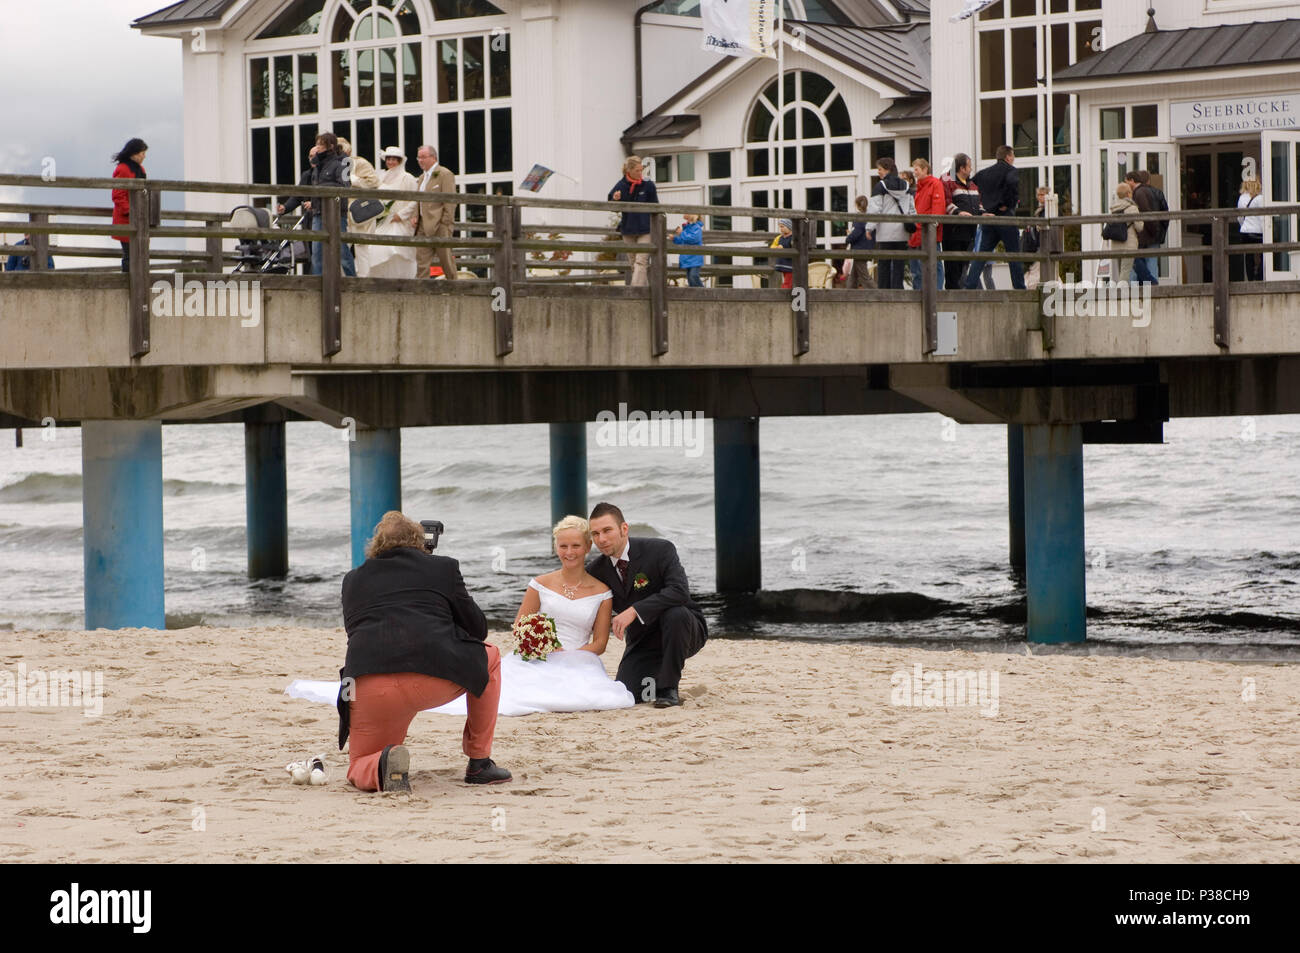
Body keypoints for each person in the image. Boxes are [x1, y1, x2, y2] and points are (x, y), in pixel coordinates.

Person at [336, 511, 509, 790]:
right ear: (420, 541)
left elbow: (355, 631)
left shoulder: (352, 579)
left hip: (368, 684)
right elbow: (478, 630)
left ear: (376, 545)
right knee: (491, 656)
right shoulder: (443, 568)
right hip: (433, 676)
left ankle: (382, 764)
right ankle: (479, 762)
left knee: (359, 764)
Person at [585, 502, 708, 708]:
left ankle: (668, 688)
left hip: (684, 629)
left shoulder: (660, 550)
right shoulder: (595, 571)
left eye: (607, 530)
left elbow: (679, 591)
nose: (602, 539)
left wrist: (634, 610)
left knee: (675, 614)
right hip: (643, 639)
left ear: (624, 528)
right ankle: (655, 678)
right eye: (595, 534)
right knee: (626, 694)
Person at [276, 132, 356, 278]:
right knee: (317, 252)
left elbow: (346, 186)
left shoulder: (343, 163)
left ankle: (353, 280)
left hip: (337, 214)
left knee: (342, 251)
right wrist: (288, 207)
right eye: (317, 143)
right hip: (318, 213)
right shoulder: (316, 167)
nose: (317, 147)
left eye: (320, 144)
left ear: (330, 146)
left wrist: (322, 191)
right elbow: (304, 193)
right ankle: (319, 283)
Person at [962, 145, 1025, 290]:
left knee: (982, 254)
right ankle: (1019, 288)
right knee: (1014, 254)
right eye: (1013, 156)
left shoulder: (984, 173)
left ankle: (969, 285)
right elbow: (1013, 186)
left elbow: (971, 185)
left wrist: (981, 206)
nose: (1013, 159)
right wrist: (1007, 203)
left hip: (988, 218)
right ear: (1008, 157)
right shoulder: (1011, 171)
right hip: (1005, 218)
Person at [368, 146, 420, 279]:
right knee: (377, 250)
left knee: (397, 251)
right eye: (388, 159)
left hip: (399, 221)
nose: (391, 162)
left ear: (400, 161)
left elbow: (415, 200)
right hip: (383, 220)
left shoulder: (407, 177)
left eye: (394, 159)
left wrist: (401, 215)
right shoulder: (381, 177)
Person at [608, 156, 659, 287]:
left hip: (645, 229)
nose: (640, 173)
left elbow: (656, 207)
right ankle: (644, 292)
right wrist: (615, 200)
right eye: (637, 170)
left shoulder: (648, 185)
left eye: (641, 170)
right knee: (633, 263)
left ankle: (634, 291)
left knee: (641, 262)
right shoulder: (620, 185)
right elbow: (611, 207)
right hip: (628, 228)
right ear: (629, 171)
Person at [864, 157, 912, 290]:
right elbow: (911, 209)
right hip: (902, 232)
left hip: (885, 232)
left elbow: (875, 209)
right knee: (899, 265)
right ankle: (898, 292)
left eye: (879, 169)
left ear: (887, 169)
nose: (878, 172)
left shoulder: (880, 186)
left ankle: (884, 293)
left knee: (884, 264)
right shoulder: (906, 185)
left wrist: (869, 227)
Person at [412, 144, 458, 279]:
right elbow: (418, 200)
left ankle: (455, 288)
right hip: (421, 225)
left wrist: (445, 223)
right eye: (418, 158)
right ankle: (422, 292)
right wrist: (416, 216)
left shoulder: (445, 174)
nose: (420, 160)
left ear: (433, 157)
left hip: (439, 224)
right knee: (422, 262)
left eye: (423, 157)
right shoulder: (421, 177)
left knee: (446, 261)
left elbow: (450, 201)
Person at [339, 137, 380, 277]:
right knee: (341, 248)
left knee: (362, 248)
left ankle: (364, 280)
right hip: (341, 212)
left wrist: (354, 180)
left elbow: (374, 182)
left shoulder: (360, 163)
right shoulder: (334, 165)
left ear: (348, 150)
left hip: (359, 212)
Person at [943, 154, 984, 290]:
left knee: (963, 264)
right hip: (953, 231)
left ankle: (960, 292)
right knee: (952, 266)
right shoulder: (946, 180)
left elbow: (978, 203)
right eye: (969, 166)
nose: (971, 169)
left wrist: (983, 212)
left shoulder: (972, 184)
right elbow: (945, 201)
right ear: (962, 168)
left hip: (969, 230)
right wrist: (958, 212)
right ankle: (952, 293)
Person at [908, 157, 945, 292]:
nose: (914, 172)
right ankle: (921, 292)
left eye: (916, 169)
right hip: (918, 232)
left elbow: (938, 207)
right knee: (918, 267)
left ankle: (936, 291)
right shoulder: (920, 187)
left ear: (925, 169)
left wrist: (932, 228)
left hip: (927, 232)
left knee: (933, 264)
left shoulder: (934, 184)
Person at [111, 137, 147, 273]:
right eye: (142, 153)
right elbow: (118, 195)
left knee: (139, 252)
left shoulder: (140, 169)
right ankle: (127, 282)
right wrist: (130, 211)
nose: (144, 156)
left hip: (138, 217)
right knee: (129, 254)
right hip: (126, 218)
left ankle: (137, 279)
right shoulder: (123, 169)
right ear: (134, 153)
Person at [1125, 170, 1161, 286]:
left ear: (1132, 181)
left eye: (1127, 182)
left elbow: (1146, 213)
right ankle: (1150, 284)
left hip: (1144, 235)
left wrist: (1152, 230)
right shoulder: (1147, 191)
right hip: (1148, 234)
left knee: (1138, 263)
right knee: (1145, 262)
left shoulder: (1139, 193)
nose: (1126, 185)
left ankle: (1151, 284)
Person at [1107, 182, 1143, 286]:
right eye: (1131, 192)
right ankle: (1121, 295)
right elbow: (1139, 227)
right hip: (1129, 244)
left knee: (1121, 272)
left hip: (1116, 244)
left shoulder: (1114, 208)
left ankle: (1121, 291)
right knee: (1125, 272)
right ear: (1128, 194)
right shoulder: (1132, 208)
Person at [842, 194, 875, 288]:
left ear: (857, 205)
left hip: (859, 249)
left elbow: (857, 232)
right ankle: (849, 294)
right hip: (866, 248)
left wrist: (848, 239)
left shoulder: (859, 218)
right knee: (854, 275)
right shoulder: (870, 217)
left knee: (865, 277)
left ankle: (878, 295)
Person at [1237, 177, 1264, 282]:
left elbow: (1240, 217)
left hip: (1245, 231)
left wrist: (1244, 225)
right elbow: (1263, 217)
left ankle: (1250, 279)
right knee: (1264, 254)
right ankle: (1260, 277)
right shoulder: (1260, 198)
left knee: (1248, 257)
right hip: (1258, 231)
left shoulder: (1242, 198)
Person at [1022, 186, 1050, 289]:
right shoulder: (1039, 211)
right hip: (1037, 244)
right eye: (1038, 195)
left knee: (1037, 271)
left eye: (1042, 195)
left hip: (1042, 245)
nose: (1040, 197)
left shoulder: (1047, 211)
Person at [671, 213, 705, 287]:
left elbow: (693, 239)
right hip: (688, 258)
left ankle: (704, 293)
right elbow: (683, 241)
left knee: (693, 276)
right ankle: (696, 296)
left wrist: (681, 233)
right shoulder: (687, 227)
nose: (684, 214)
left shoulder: (696, 227)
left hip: (695, 258)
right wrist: (675, 239)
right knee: (690, 278)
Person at [771, 219, 794, 288]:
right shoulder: (779, 238)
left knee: (788, 281)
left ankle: (783, 292)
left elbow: (794, 247)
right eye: (780, 227)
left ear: (789, 227)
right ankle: (784, 292)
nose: (781, 229)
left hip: (790, 263)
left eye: (783, 227)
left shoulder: (793, 238)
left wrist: (784, 248)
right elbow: (772, 246)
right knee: (786, 278)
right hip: (783, 263)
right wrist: (776, 247)